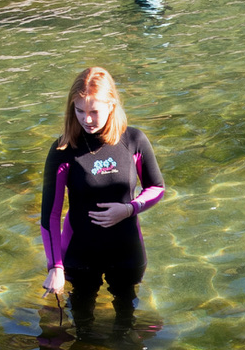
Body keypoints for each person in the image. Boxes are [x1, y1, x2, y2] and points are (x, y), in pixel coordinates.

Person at [40, 66, 167, 324]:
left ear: (111, 105)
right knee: (82, 323)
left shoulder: (134, 140)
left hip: (127, 250)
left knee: (127, 320)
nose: (86, 120)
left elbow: (157, 187)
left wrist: (130, 209)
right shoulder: (63, 149)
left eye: (94, 111)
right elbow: (50, 215)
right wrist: (56, 267)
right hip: (80, 253)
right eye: (79, 111)